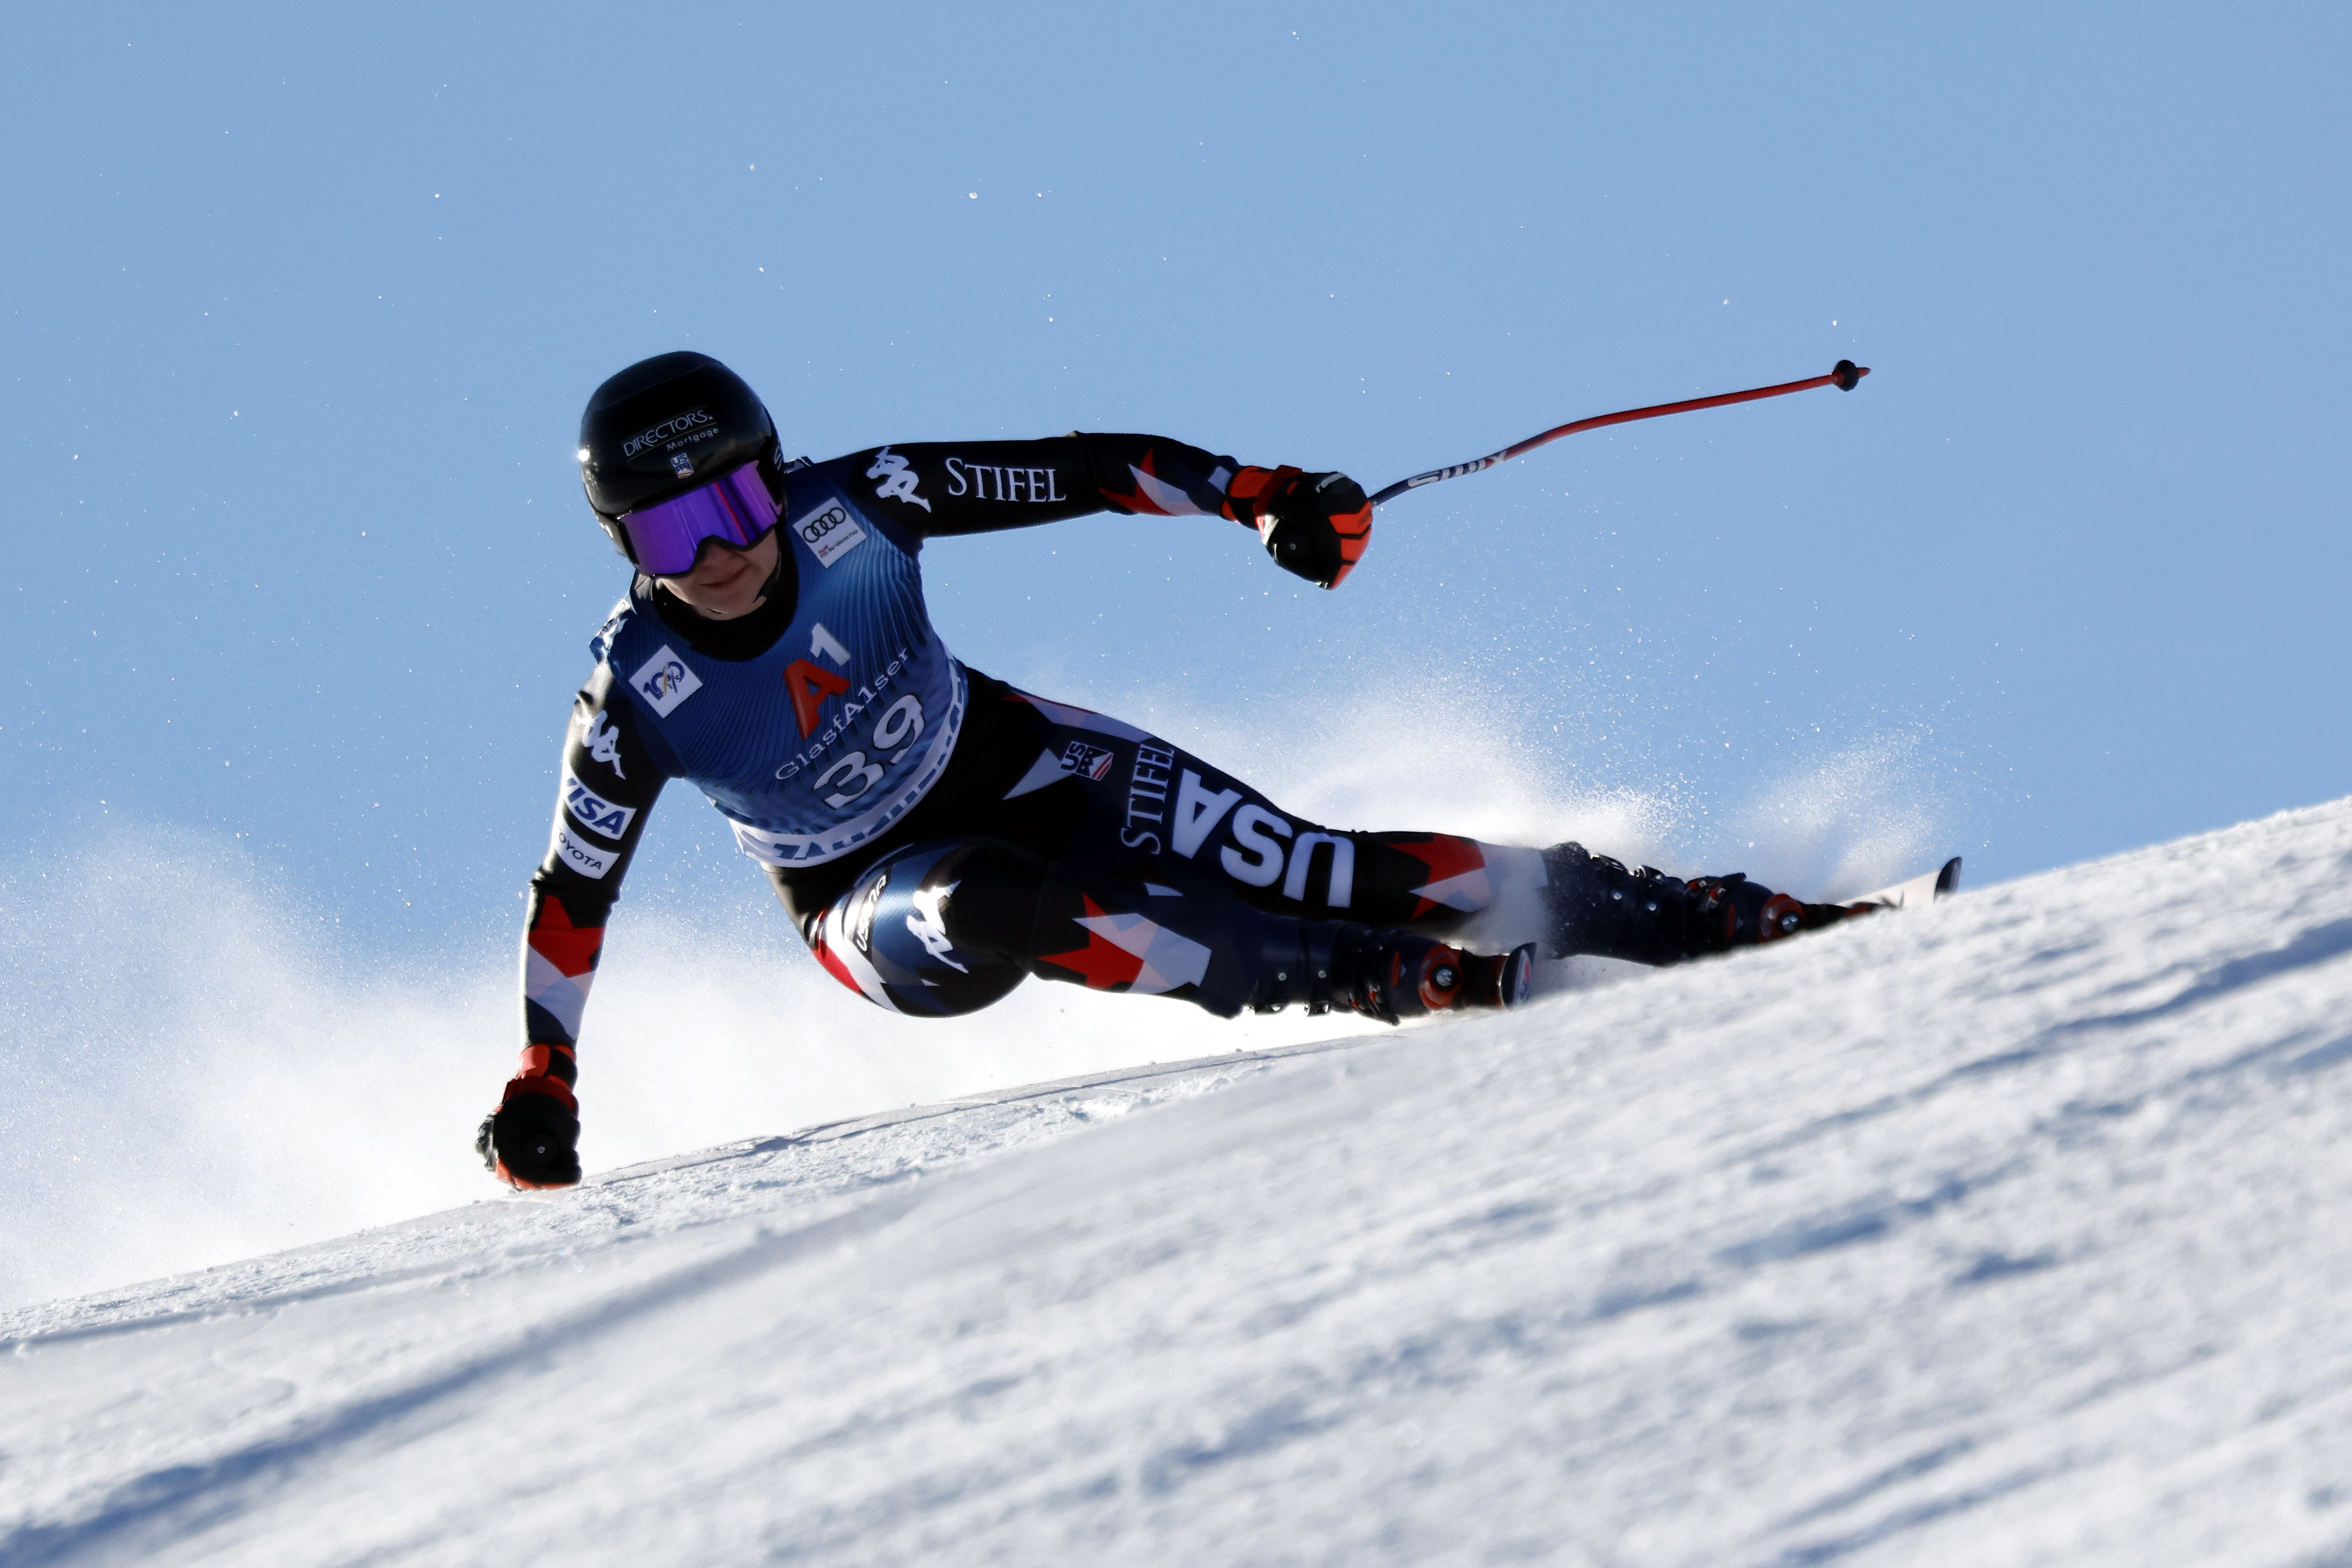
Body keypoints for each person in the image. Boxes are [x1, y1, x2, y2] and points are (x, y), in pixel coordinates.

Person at [478, 352, 1863, 1189]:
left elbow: (1080, 469)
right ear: (625, 553)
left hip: (1018, 753)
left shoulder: (865, 502)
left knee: (1338, 866)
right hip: (863, 892)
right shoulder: (630, 697)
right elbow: (571, 896)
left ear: (775, 479)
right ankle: (1375, 980)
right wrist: (546, 1076)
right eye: (671, 534)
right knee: (986, 903)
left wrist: (1261, 494)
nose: (721, 552)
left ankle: (1702, 919)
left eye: (734, 500)